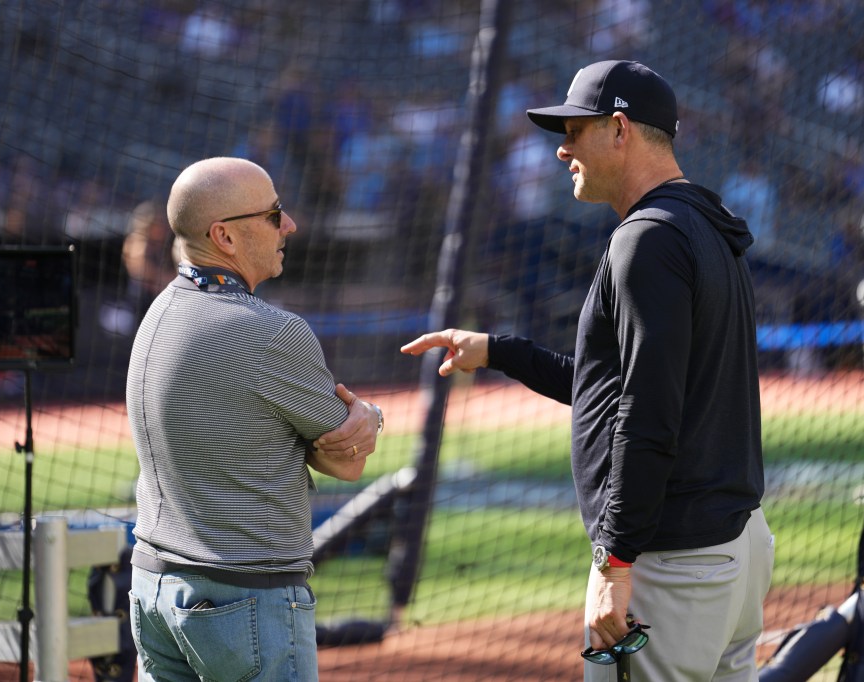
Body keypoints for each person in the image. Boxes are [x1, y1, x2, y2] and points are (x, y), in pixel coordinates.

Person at [401, 60, 773, 681]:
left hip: (671, 560)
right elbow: (618, 386)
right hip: (735, 546)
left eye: (575, 131)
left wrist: (615, 562)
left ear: (620, 129)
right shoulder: (700, 221)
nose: (561, 149)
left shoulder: (646, 240)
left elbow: (648, 412)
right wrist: (500, 351)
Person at [127, 157, 383, 682]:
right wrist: (371, 418)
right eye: (274, 214)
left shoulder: (159, 312)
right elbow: (351, 464)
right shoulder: (271, 333)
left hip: (154, 591)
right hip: (244, 602)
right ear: (224, 236)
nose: (289, 225)